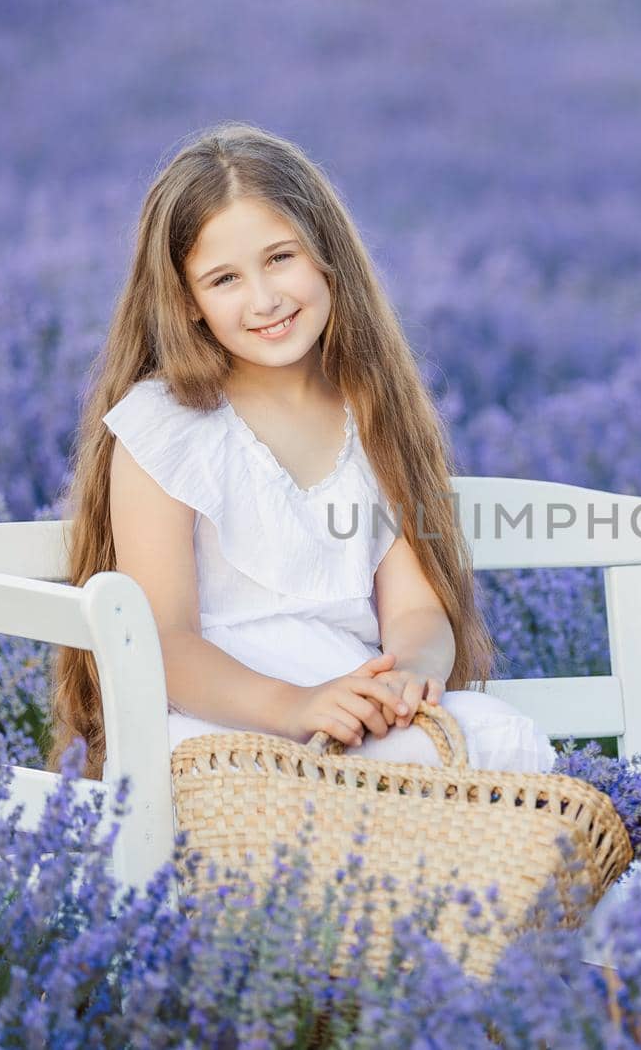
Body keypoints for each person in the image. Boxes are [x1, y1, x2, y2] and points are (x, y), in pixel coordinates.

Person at [47, 122, 553, 781]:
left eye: (281, 257)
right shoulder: (164, 426)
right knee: (255, 773)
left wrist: (403, 677)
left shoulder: (371, 416)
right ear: (189, 303)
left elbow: (416, 609)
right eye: (224, 278)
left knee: (506, 740)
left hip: (354, 702)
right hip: (219, 718)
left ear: (326, 254)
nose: (266, 298)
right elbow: (165, 640)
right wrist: (297, 706)